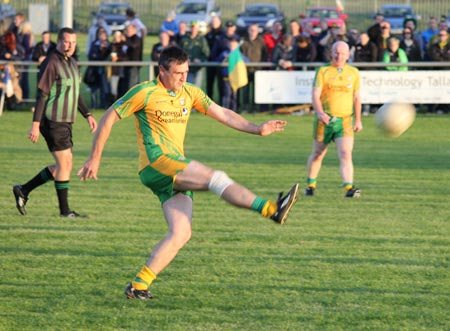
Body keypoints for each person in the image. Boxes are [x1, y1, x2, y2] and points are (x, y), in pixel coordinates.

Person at [77, 46, 299, 300]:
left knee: (181, 233)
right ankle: (271, 209)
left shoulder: (189, 92)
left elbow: (223, 113)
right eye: (178, 73)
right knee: (216, 179)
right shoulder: (144, 92)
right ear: (161, 71)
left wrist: (257, 128)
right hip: (158, 163)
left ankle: (139, 285)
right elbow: (109, 117)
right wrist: (95, 158)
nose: (183, 78)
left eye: (186, 72)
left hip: (171, 170)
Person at [12, 27, 97, 217]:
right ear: (58, 42)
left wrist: (88, 114)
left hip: (66, 122)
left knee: (63, 166)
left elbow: (75, 93)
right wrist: (35, 123)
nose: (70, 46)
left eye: (73, 42)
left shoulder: (73, 62)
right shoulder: (51, 61)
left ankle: (23, 190)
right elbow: (42, 94)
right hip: (51, 119)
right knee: (64, 164)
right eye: (66, 42)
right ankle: (65, 212)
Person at [305, 41, 362, 198]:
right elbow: (315, 95)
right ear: (331, 53)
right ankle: (310, 185)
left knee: (345, 153)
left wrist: (358, 120)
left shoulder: (354, 72)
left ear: (348, 55)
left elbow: (357, 98)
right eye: (336, 52)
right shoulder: (323, 71)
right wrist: (320, 113)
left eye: (343, 53)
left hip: (344, 121)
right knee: (318, 154)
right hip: (325, 121)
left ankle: (349, 188)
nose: (339, 56)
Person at [240, 23, 268, 112]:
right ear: (248, 30)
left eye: (255, 30)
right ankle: (245, 108)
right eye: (251, 30)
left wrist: (261, 65)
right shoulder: (244, 41)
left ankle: (255, 108)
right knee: (245, 90)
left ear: (257, 31)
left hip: (257, 70)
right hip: (245, 69)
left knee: (257, 90)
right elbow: (239, 54)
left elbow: (265, 54)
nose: (253, 32)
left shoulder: (261, 41)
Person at [179, 20, 210, 87]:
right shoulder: (184, 39)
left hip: (198, 68)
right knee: (187, 87)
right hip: (186, 68)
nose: (193, 29)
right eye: (192, 27)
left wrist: (200, 60)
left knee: (196, 88)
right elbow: (179, 52)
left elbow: (206, 53)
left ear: (198, 28)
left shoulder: (202, 39)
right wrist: (184, 60)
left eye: (195, 27)